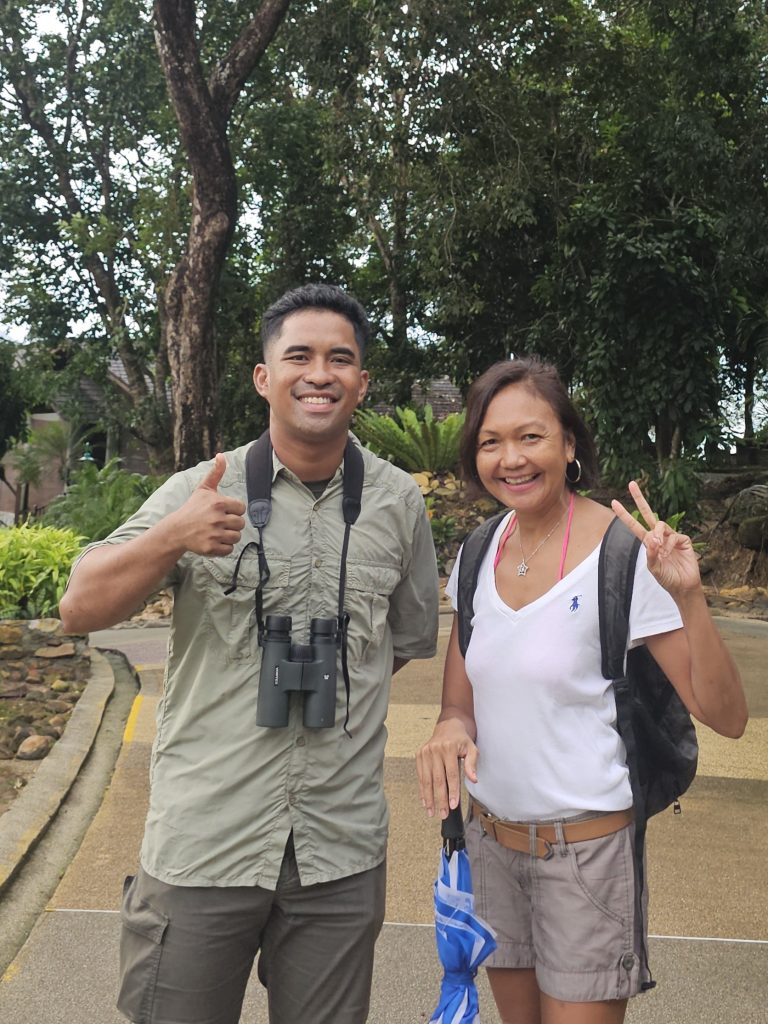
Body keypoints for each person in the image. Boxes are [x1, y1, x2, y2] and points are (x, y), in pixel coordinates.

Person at [60, 283, 440, 1024]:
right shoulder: (202, 489)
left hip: (338, 845)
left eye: (340, 358)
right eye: (298, 356)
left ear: (362, 380)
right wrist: (173, 535)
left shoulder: (398, 502)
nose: (319, 373)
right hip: (208, 837)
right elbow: (80, 607)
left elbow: (399, 645)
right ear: (265, 377)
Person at [416, 357, 747, 1024]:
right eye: (490, 441)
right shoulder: (478, 552)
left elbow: (727, 716)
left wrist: (691, 598)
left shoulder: (623, 556)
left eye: (531, 436)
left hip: (586, 857)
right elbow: (460, 702)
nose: (511, 458)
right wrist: (450, 729)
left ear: (569, 444)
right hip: (490, 846)